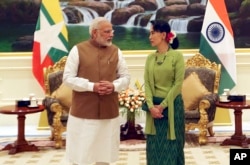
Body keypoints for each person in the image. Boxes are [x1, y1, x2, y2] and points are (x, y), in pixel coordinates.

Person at [63, 17, 130, 165]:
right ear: (94, 33)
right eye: (107, 31)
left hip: (109, 113)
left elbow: (126, 77)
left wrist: (114, 86)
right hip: (84, 114)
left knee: (105, 155)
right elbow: (67, 78)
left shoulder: (116, 51)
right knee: (82, 154)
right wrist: (91, 86)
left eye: (112, 31)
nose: (111, 34)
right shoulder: (78, 50)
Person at [142, 19, 185, 165]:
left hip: (172, 107)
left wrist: (162, 105)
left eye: (153, 33)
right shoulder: (150, 58)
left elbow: (178, 84)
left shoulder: (177, 56)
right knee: (154, 147)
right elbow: (147, 83)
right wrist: (151, 106)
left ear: (163, 35)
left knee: (173, 145)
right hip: (153, 109)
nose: (150, 36)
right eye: (150, 33)